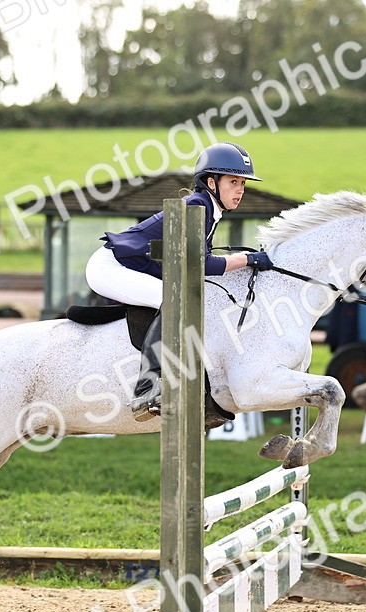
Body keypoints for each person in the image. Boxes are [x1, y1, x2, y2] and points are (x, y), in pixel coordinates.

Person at [86, 141, 274, 421]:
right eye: (233, 182)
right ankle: (147, 388)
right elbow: (201, 263)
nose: (240, 190)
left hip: (126, 266)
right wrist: (247, 259)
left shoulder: (209, 209)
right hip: (109, 267)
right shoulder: (198, 205)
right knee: (173, 300)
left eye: (243, 184)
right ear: (211, 182)